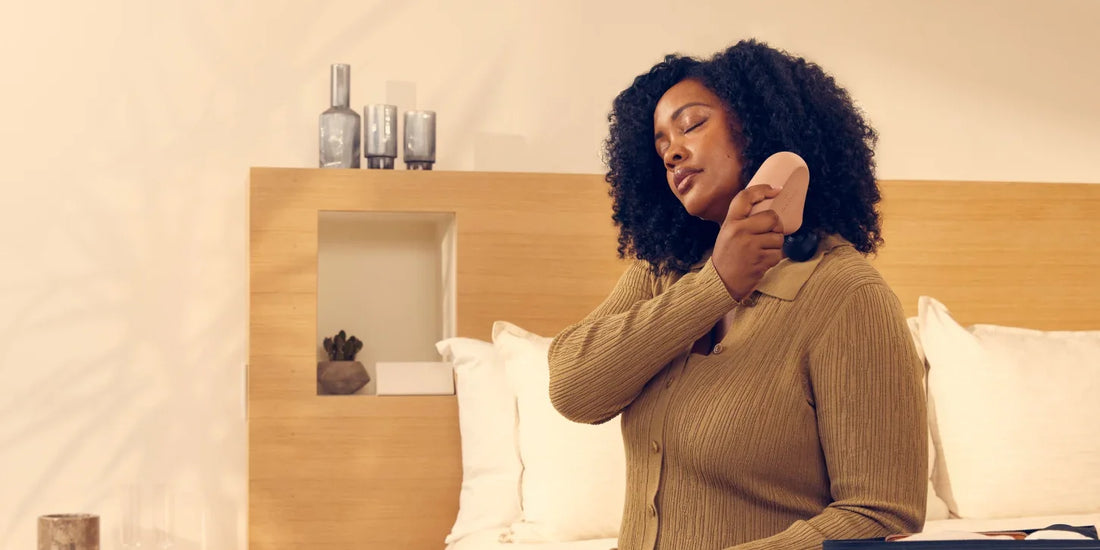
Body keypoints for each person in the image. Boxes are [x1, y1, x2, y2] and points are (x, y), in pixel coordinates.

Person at [547, 39, 927, 550]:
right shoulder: (664, 274)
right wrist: (715, 285)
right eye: (661, 147)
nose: (672, 153)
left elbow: (882, 513)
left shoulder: (845, 294)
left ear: (758, 123)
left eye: (691, 124)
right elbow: (572, 390)